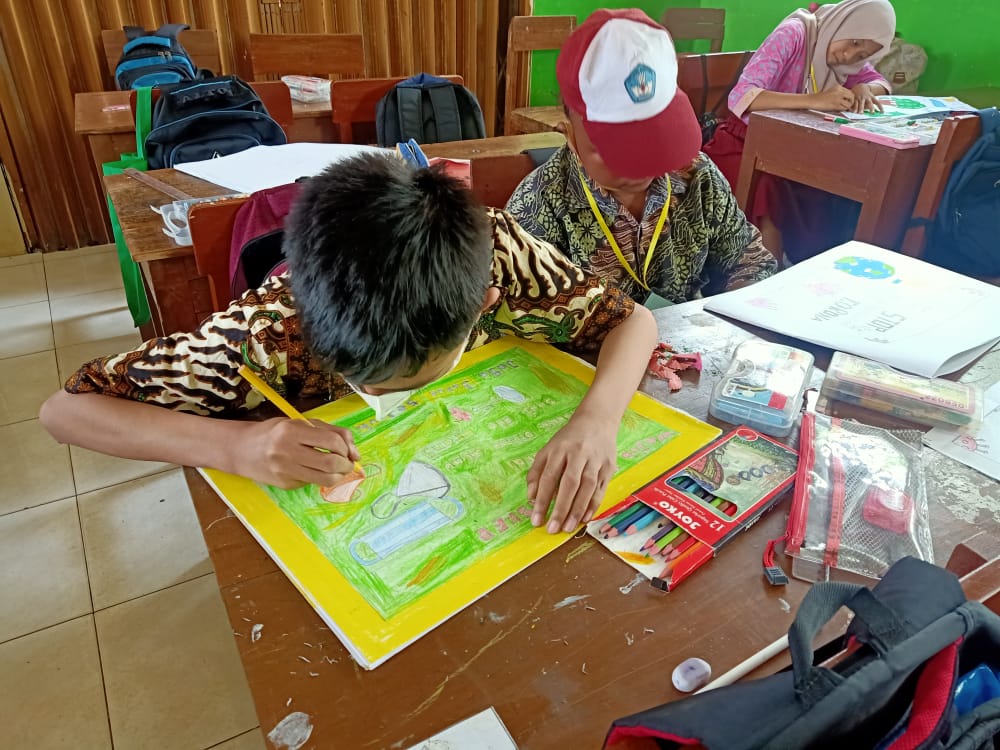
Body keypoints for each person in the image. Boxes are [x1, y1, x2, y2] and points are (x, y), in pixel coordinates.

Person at [39, 153, 658, 535]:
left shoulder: (500, 251)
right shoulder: (267, 330)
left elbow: (632, 322)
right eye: (366, 384)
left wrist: (597, 421)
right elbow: (65, 411)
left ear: (482, 306)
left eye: (411, 381)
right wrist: (237, 445)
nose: (385, 401)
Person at [506, 8, 777, 308]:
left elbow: (749, 261)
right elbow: (521, 314)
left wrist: (734, 311)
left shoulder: (698, 178)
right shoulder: (539, 206)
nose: (641, 166)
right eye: (619, 150)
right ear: (568, 132)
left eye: (655, 140)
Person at [703, 0, 896, 260]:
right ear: (843, 23)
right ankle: (766, 275)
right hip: (744, 142)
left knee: (828, 195)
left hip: (794, 150)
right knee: (768, 194)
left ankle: (805, 270)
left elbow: (881, 83)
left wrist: (865, 88)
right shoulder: (795, 34)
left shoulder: (846, 62)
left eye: (862, 55)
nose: (850, 56)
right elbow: (742, 97)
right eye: (853, 42)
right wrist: (814, 100)